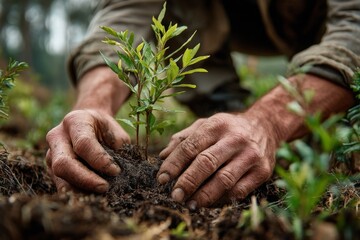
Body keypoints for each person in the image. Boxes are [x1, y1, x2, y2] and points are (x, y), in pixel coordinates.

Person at [46, 0, 359, 209]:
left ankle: (279, 127)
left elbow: (354, 29)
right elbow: (123, 12)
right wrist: (94, 104)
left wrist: (269, 121)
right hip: (229, 16)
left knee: (338, 144)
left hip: (327, 19)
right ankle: (227, 114)